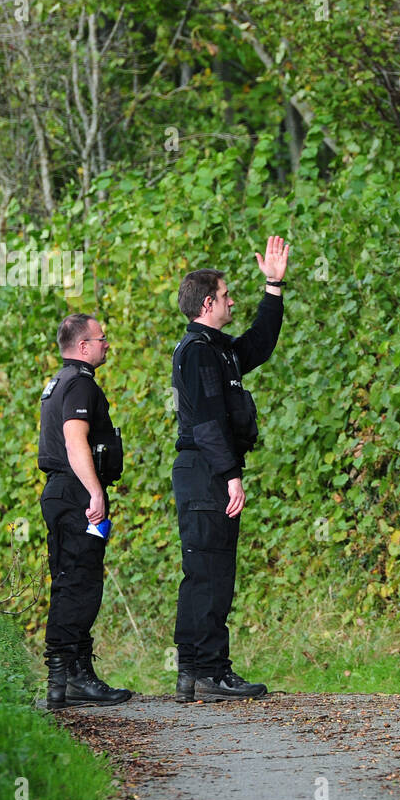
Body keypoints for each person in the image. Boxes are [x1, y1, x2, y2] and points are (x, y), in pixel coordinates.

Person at [171, 236, 288, 701]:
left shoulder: (218, 349)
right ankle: (207, 671)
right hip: (204, 471)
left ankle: (197, 672)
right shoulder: (197, 351)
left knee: (213, 571)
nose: (231, 299)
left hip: (211, 469)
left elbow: (259, 344)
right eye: (226, 294)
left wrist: (274, 286)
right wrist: (230, 474)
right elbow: (205, 421)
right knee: (207, 571)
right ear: (208, 302)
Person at [38, 314, 133, 709]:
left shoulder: (57, 383)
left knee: (70, 579)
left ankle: (70, 677)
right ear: (82, 347)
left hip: (61, 492)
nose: (106, 344)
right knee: (80, 583)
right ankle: (69, 678)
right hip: (77, 493)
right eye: (101, 339)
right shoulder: (79, 385)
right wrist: (95, 492)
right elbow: (75, 441)